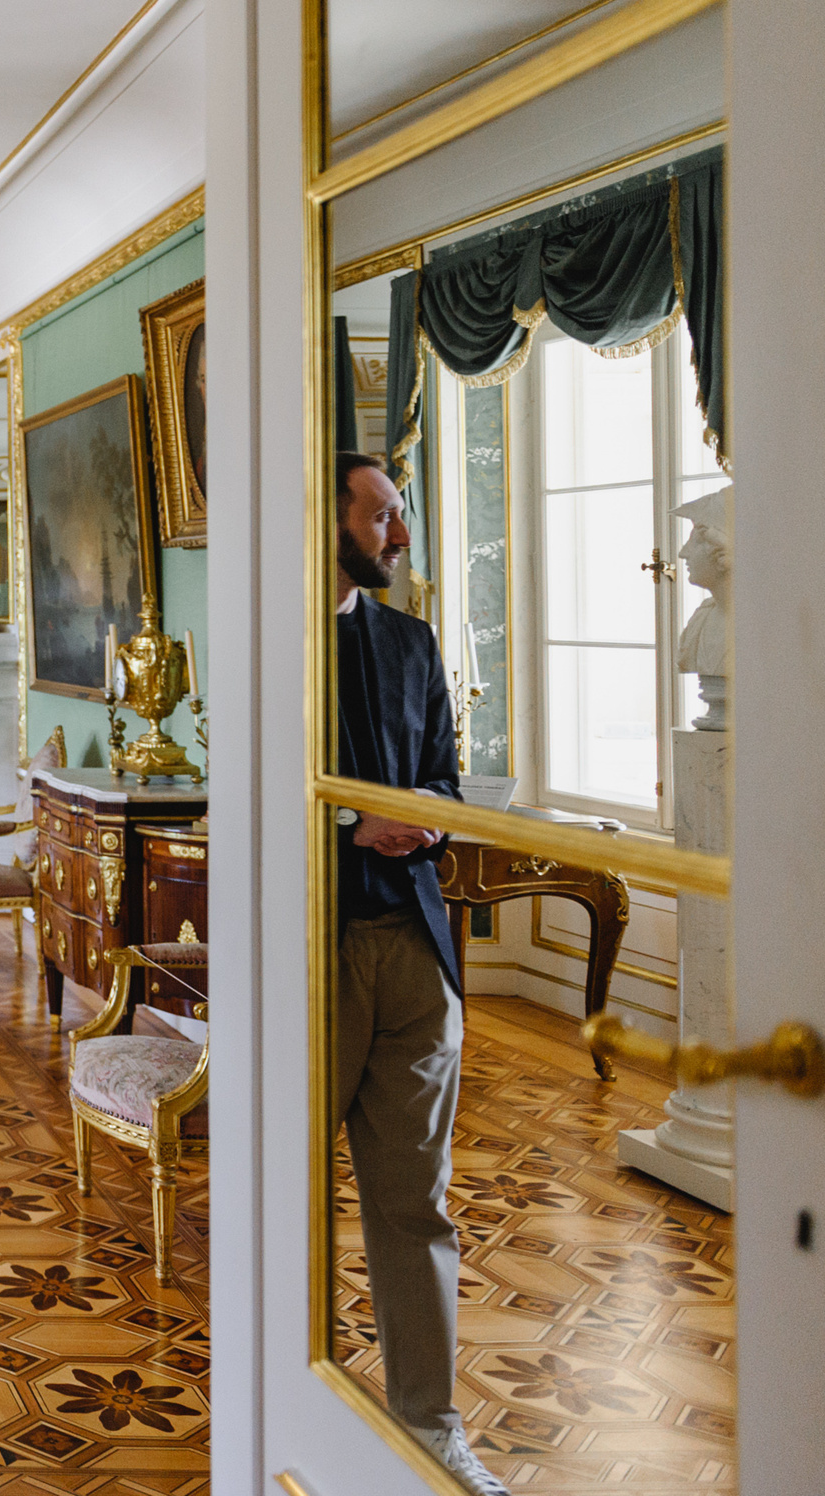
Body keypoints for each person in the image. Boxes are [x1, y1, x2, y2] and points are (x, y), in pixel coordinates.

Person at [329, 453, 505, 1496]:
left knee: (415, 1206)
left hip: (416, 954)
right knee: (286, 1198)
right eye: (383, 516)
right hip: (313, 952)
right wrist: (356, 822)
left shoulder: (411, 641)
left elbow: (440, 770)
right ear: (334, 522)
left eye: (400, 515)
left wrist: (429, 814)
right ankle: (282, 1405)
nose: (399, 535)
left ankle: (428, 1432)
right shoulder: (278, 645)